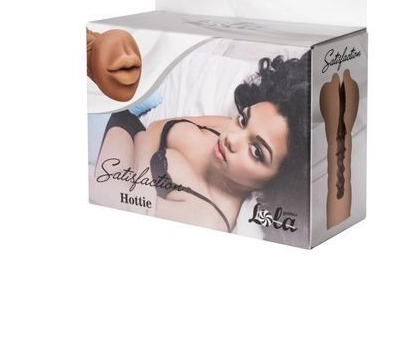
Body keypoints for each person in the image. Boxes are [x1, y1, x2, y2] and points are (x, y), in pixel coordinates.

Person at [91, 51, 310, 234]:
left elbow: (112, 201)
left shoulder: (208, 219)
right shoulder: (227, 127)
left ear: (278, 182)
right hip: (116, 119)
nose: (232, 138)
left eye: (256, 151)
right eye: (243, 120)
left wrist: (136, 175)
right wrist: (141, 181)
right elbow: (156, 127)